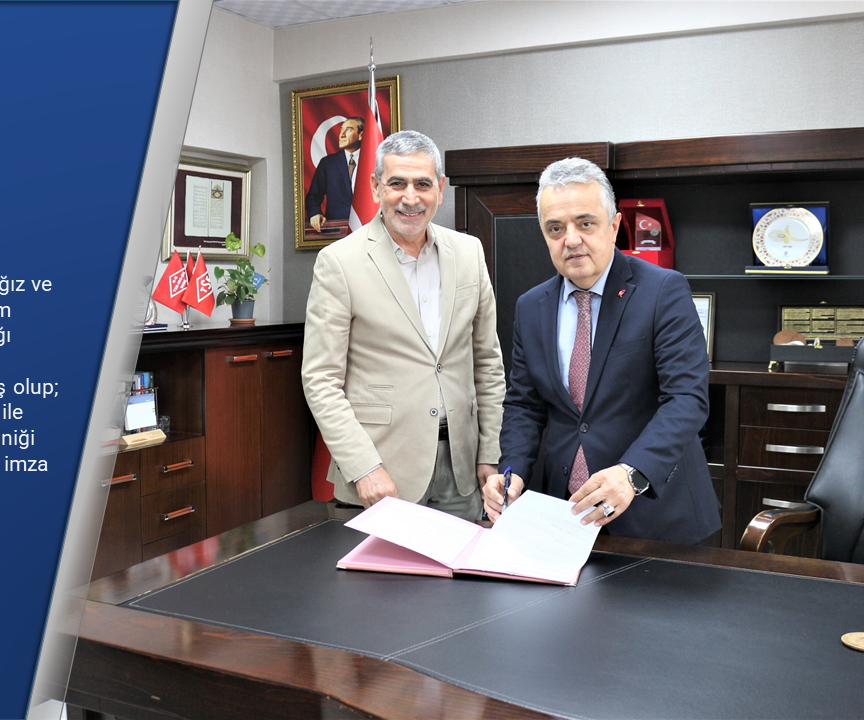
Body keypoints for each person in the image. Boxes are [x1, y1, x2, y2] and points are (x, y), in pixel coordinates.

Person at [485, 157, 720, 544]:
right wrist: (511, 471)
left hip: (656, 516)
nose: (571, 239)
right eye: (555, 228)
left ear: (613, 227)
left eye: (585, 223)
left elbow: (686, 399)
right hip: (565, 515)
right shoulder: (531, 306)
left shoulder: (663, 291)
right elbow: (525, 405)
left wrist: (631, 473)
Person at [303, 130, 505, 519]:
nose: (410, 198)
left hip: (461, 471)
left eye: (422, 184)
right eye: (397, 183)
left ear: (440, 189)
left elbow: (488, 363)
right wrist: (364, 467)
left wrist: (489, 452)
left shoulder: (469, 252)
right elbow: (320, 380)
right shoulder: (339, 262)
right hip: (382, 474)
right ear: (375, 187)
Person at [306, 117, 364, 233]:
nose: (341, 134)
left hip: (368, 227)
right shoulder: (328, 163)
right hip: (336, 231)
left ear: (361, 135)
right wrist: (315, 213)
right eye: (341, 130)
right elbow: (313, 196)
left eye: (348, 130)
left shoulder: (374, 161)